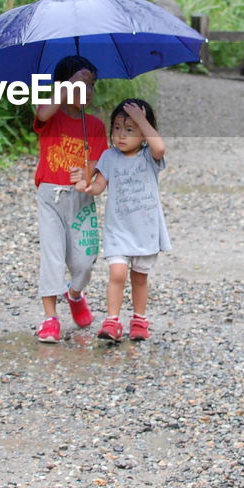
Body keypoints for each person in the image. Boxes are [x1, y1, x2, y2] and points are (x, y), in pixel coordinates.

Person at [70, 98, 168, 343]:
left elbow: (160, 148)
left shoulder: (149, 157)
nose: (121, 135)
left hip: (145, 231)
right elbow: (99, 187)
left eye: (130, 129)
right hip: (119, 230)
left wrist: (143, 120)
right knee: (117, 274)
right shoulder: (109, 157)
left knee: (139, 277)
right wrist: (85, 186)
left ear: (144, 133)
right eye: (117, 128)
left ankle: (139, 319)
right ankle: (112, 320)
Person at [32, 55, 107, 343]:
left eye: (90, 85)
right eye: (79, 85)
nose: (84, 91)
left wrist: (86, 174)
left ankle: (74, 293)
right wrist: (67, 88)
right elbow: (42, 114)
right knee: (52, 255)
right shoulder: (51, 117)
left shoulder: (96, 126)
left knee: (85, 260)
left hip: (80, 199)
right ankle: (50, 318)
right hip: (50, 195)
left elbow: (97, 163)